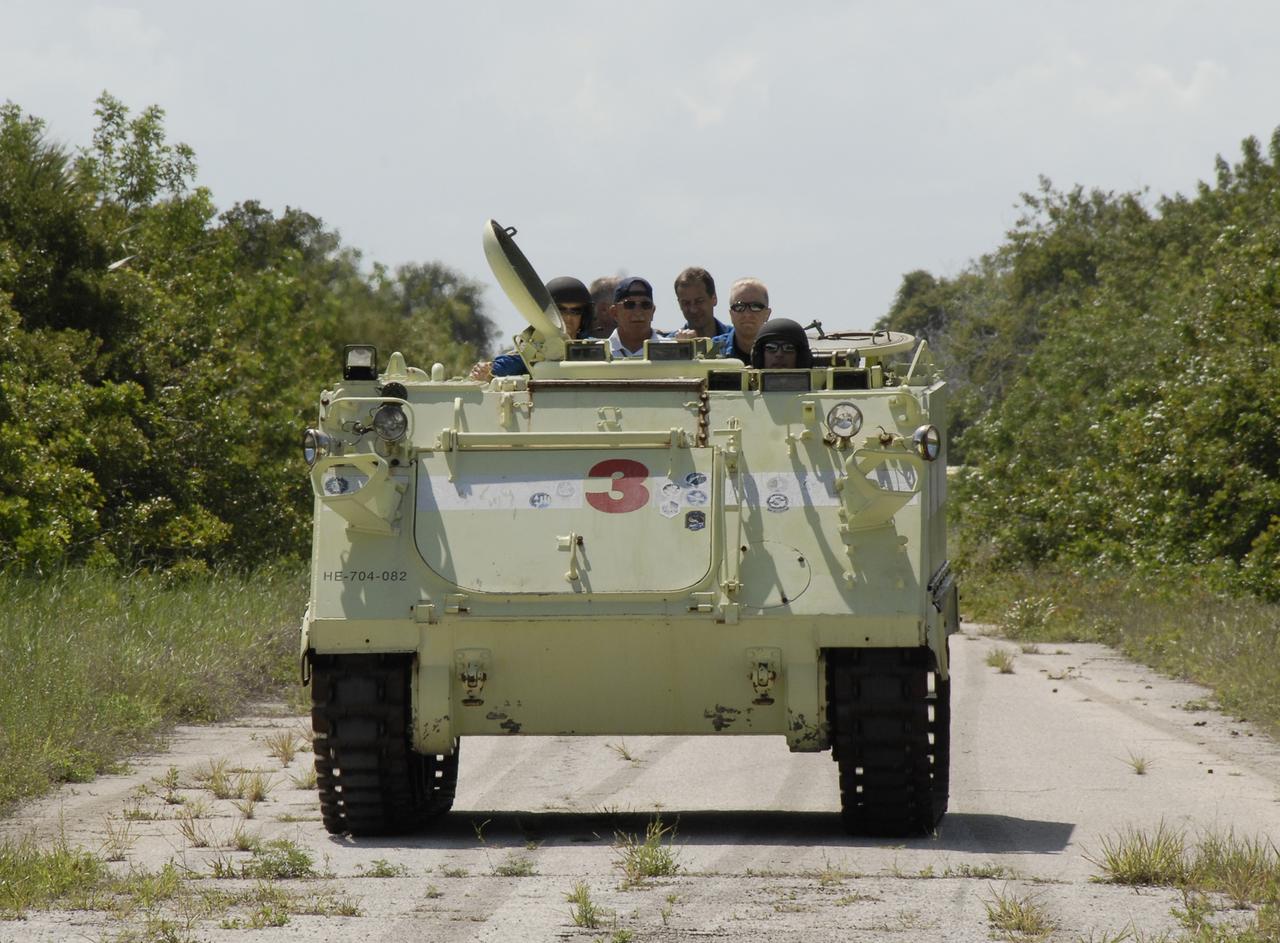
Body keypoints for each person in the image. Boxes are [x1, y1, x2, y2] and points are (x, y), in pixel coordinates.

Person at [470, 276, 594, 380]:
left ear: (585, 316)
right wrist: (487, 371)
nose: (567, 317)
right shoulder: (532, 351)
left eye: (575, 311)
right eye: (560, 310)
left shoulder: (596, 349)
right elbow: (505, 366)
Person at [712, 277, 771, 361]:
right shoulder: (711, 351)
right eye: (739, 307)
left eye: (755, 306)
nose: (747, 314)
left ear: (767, 314)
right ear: (731, 314)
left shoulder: (780, 352)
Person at [608, 276, 664, 358]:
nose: (638, 312)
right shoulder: (596, 354)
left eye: (645, 304)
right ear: (615, 313)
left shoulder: (672, 351)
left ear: (653, 311)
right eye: (630, 305)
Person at [673, 267, 727, 338]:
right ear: (679, 304)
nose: (693, 309)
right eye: (686, 303)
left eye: (699, 301)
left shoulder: (737, 341)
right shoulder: (670, 346)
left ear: (714, 299)